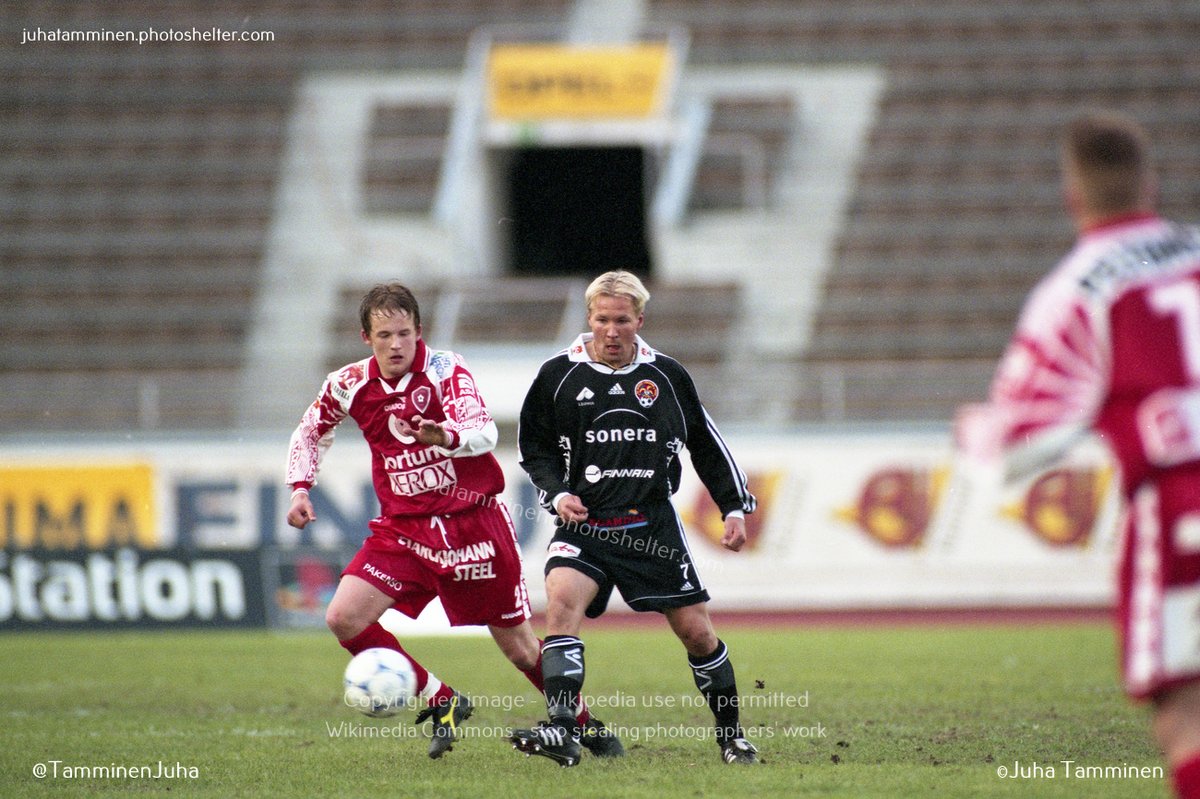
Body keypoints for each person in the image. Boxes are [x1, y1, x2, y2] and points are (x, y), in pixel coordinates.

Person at [956, 111, 1200, 799]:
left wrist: (976, 432)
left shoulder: (1078, 287)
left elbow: (1017, 442)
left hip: (1182, 504)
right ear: (1151, 182)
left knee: (1188, 718)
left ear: (1073, 195)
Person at [286, 283, 622, 760]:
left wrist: (444, 436)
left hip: (471, 526)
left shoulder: (445, 369)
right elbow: (311, 429)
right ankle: (443, 699)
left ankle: (584, 725)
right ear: (366, 337)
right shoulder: (347, 382)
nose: (396, 344)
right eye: (385, 335)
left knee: (522, 650)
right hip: (403, 530)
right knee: (344, 617)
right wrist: (301, 486)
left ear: (419, 331)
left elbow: (483, 431)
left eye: (404, 333)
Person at [509, 270, 760, 766]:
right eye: (602, 319)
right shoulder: (557, 374)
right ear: (590, 318)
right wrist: (556, 495)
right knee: (561, 605)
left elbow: (706, 444)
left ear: (638, 320)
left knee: (696, 633)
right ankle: (563, 729)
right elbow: (532, 448)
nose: (611, 330)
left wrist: (733, 506)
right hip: (585, 525)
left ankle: (732, 737)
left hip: (651, 527)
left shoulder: (667, 375)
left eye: (621, 320)